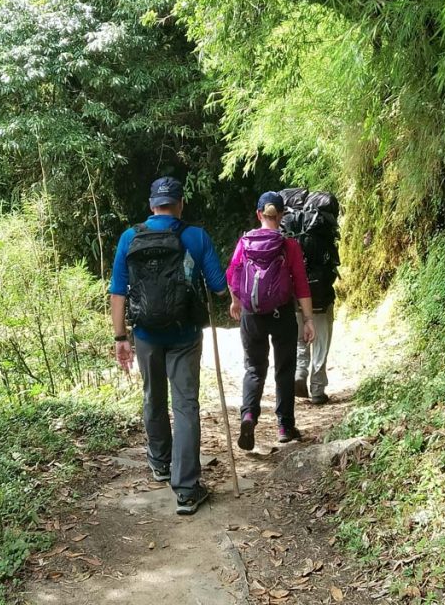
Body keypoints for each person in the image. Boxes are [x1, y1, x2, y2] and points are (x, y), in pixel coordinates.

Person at [109, 176, 228, 515]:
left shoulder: (130, 237)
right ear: (180, 204)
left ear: (151, 205)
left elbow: (118, 292)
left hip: (145, 335)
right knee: (186, 405)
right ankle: (187, 490)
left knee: (153, 396)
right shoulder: (195, 235)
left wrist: (121, 337)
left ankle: (160, 463)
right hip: (185, 335)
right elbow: (219, 287)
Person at [227, 191, 315, 449]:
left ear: (258, 215)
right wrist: (308, 319)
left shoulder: (244, 243)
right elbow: (301, 284)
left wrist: (236, 301)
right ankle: (285, 426)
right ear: (282, 216)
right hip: (282, 313)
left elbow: (232, 273)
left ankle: (249, 415)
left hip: (252, 314)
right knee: (284, 369)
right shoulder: (289, 246)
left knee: (254, 367)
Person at [285, 190, 340, 405]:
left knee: (300, 337)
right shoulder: (321, 228)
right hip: (321, 296)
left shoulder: (293, 225)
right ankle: (318, 389)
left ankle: (300, 372)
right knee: (321, 341)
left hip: (295, 295)